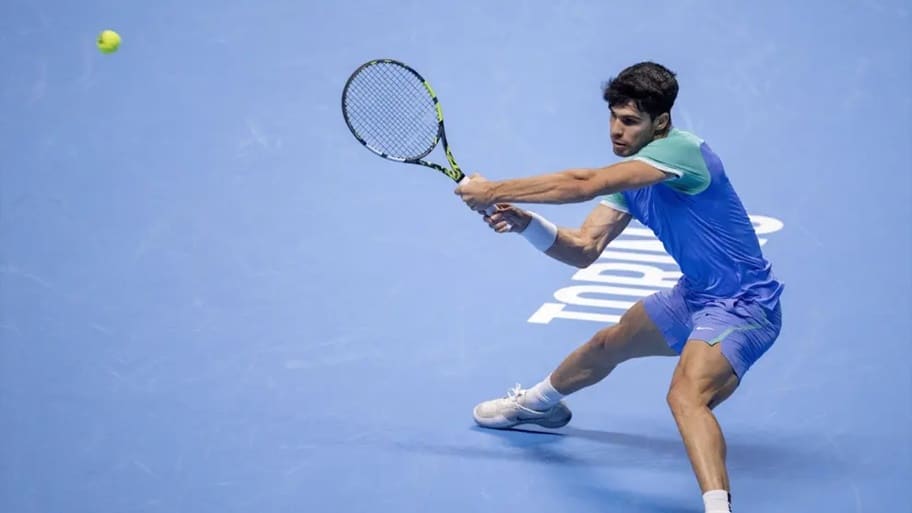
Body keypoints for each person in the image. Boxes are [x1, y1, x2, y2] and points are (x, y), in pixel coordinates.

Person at [453, 61, 783, 513]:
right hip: (696, 295)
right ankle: (537, 406)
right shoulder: (633, 181)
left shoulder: (684, 152)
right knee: (608, 343)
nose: (616, 130)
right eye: (613, 116)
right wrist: (526, 223)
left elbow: (586, 182)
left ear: (661, 123)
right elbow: (584, 248)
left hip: (745, 307)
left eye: (630, 121)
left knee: (686, 396)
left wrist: (493, 190)